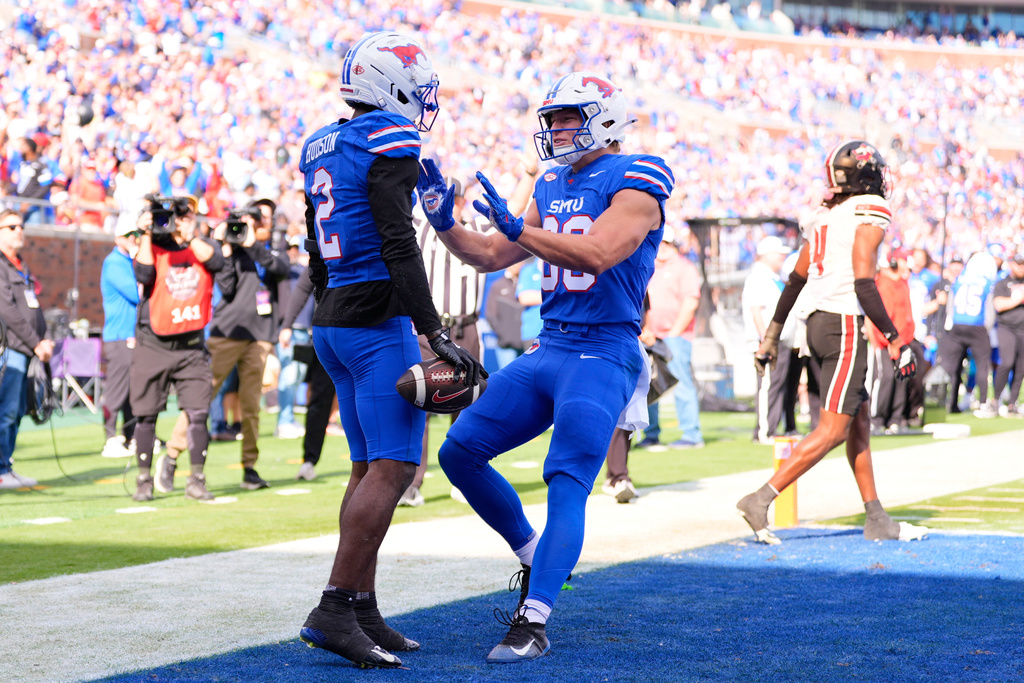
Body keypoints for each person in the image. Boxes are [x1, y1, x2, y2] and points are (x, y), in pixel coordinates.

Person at [422, 72, 673, 662]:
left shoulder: (639, 175)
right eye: (553, 119)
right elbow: (489, 255)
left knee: (567, 476)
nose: (557, 129)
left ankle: (533, 621)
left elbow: (599, 252)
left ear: (606, 118)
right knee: (459, 452)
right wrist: (445, 223)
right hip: (551, 345)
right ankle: (535, 553)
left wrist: (522, 230)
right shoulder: (552, 178)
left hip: (604, 351)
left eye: (569, 117)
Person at [295, 32, 485, 669]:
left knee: (365, 466)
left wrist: (331, 309)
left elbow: (314, 246)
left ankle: (362, 609)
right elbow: (400, 247)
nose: (423, 103)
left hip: (333, 321)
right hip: (377, 323)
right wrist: (435, 333)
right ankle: (334, 606)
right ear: (390, 86)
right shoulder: (390, 141)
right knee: (397, 468)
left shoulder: (322, 142)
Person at [736, 140, 927, 546]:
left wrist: (771, 336)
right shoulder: (867, 209)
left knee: (857, 422)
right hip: (842, 324)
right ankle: (761, 498)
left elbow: (795, 280)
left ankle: (876, 516)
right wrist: (894, 338)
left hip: (816, 325)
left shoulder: (825, 215)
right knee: (832, 430)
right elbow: (863, 280)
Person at [163, 197, 289, 490]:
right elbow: (227, 286)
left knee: (251, 407)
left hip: (258, 337)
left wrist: (251, 243)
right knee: (202, 397)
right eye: (253, 220)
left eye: (261, 220)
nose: (258, 224)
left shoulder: (268, 250)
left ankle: (250, 467)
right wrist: (230, 247)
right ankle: (171, 455)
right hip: (226, 333)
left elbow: (280, 268)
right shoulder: (226, 247)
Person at [129, 195, 224, 501]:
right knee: (146, 416)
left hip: (191, 347)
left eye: (187, 214)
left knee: (198, 413)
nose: (181, 219)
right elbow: (142, 275)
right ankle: (143, 480)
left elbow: (216, 262)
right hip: (153, 343)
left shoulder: (202, 245)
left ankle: (196, 479)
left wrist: (187, 235)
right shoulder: (152, 245)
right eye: (175, 215)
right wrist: (148, 232)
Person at [0, 209, 52, 489]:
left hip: (26, 349)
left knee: (18, 409)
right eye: (10, 227)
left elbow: (31, 308)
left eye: (20, 226)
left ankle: (6, 466)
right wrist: (35, 341)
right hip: (9, 349)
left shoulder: (20, 265)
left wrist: (44, 339)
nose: (18, 230)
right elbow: (7, 310)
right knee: (6, 410)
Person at [642, 228, 704, 449]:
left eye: (666, 243)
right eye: (660, 242)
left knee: (681, 382)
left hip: (675, 335)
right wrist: (646, 330)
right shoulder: (649, 266)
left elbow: (690, 303)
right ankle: (650, 434)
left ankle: (691, 434)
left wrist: (674, 333)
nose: (662, 247)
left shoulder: (684, 268)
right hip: (650, 336)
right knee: (648, 385)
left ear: (674, 244)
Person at [742, 235, 794, 444]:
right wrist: (766, 340)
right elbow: (756, 311)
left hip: (778, 340)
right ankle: (764, 431)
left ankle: (772, 427)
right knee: (767, 385)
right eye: (778, 252)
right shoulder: (758, 277)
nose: (783, 255)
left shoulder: (774, 276)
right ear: (766, 254)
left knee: (776, 385)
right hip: (767, 340)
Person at [99, 221, 142, 458]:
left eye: (135, 234)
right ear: (118, 238)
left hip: (130, 335)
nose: (133, 238)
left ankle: (130, 435)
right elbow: (136, 293)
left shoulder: (126, 262)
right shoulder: (114, 262)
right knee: (116, 390)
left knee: (132, 390)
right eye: (129, 235)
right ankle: (110, 438)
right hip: (119, 336)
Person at [940, 251, 998, 416]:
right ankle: (983, 403)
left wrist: (952, 322)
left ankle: (947, 402)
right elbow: (989, 308)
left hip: (957, 325)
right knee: (981, 365)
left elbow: (951, 304)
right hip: (976, 325)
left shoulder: (960, 280)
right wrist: (986, 327)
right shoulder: (986, 283)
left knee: (952, 366)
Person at [865, 250, 916, 433]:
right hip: (886, 342)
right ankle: (876, 419)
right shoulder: (883, 285)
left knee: (902, 379)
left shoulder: (902, 284)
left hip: (903, 341)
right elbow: (879, 317)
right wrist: (887, 341)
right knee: (884, 377)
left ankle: (896, 419)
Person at [991, 252, 1024, 415]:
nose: (1021, 267)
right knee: (1007, 362)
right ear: (1011, 264)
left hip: (1023, 329)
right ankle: (995, 400)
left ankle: (1012, 403)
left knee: (1021, 367)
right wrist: (1016, 300)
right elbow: (998, 304)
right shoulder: (1003, 283)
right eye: (1019, 264)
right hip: (1007, 327)